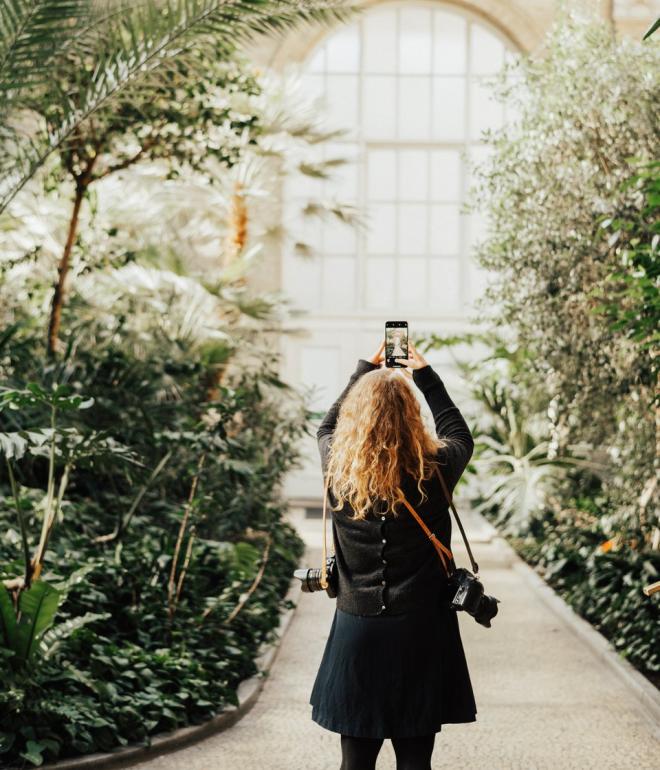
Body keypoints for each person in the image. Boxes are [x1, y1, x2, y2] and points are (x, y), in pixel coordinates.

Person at [309, 339, 477, 770]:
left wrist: (366, 368)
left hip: (357, 631)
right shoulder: (435, 469)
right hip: (420, 630)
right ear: (411, 416)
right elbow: (459, 433)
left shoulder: (337, 468)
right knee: (415, 762)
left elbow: (325, 427)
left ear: (356, 417)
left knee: (356, 763)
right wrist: (424, 375)